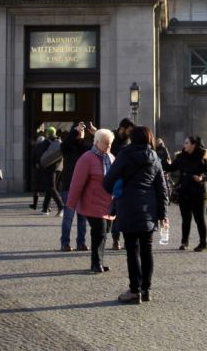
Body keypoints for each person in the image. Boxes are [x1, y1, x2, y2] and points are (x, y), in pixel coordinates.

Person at [102, 125, 168, 304]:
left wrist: (118, 187)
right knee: (147, 250)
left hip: (128, 206)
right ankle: (146, 290)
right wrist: (163, 214)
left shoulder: (124, 154)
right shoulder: (154, 156)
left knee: (132, 251)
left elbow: (108, 181)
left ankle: (134, 290)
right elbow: (161, 188)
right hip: (149, 209)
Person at [67, 128, 116, 273]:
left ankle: (99, 261)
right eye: (106, 143)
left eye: (110, 144)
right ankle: (96, 263)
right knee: (99, 231)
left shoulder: (111, 157)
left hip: (108, 202)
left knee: (105, 232)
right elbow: (77, 182)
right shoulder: (87, 158)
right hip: (92, 202)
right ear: (97, 142)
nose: (108, 146)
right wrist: (71, 203)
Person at [165, 135, 207, 251]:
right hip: (184, 192)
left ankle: (203, 243)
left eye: (186, 143)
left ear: (193, 145)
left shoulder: (202, 158)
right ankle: (184, 242)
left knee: (199, 219)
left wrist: (202, 178)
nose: (184, 145)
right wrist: (163, 161)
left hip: (199, 193)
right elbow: (171, 168)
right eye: (184, 143)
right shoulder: (181, 157)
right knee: (185, 219)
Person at [58, 121, 91, 251]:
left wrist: (93, 133)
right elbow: (65, 144)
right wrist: (74, 131)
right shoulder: (67, 147)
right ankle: (65, 243)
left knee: (82, 218)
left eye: (82, 131)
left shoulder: (85, 147)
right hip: (69, 186)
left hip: (83, 186)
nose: (81, 132)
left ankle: (81, 243)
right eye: (79, 130)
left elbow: (98, 146)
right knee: (68, 217)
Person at [109, 118, 134, 249]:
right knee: (116, 210)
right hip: (114, 178)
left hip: (126, 179)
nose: (129, 133)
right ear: (122, 128)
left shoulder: (128, 141)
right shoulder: (112, 138)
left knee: (125, 211)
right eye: (128, 130)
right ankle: (115, 239)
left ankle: (124, 239)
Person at [40, 126, 63, 216]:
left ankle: (61, 206)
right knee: (50, 187)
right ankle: (45, 208)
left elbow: (42, 153)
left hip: (51, 168)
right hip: (59, 168)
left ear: (48, 134)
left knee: (51, 187)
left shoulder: (46, 142)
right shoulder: (59, 142)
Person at [28, 129, 47, 210]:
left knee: (36, 189)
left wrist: (33, 166)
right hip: (46, 169)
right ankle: (47, 206)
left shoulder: (35, 148)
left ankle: (35, 205)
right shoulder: (47, 148)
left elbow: (32, 158)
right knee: (47, 188)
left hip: (37, 168)